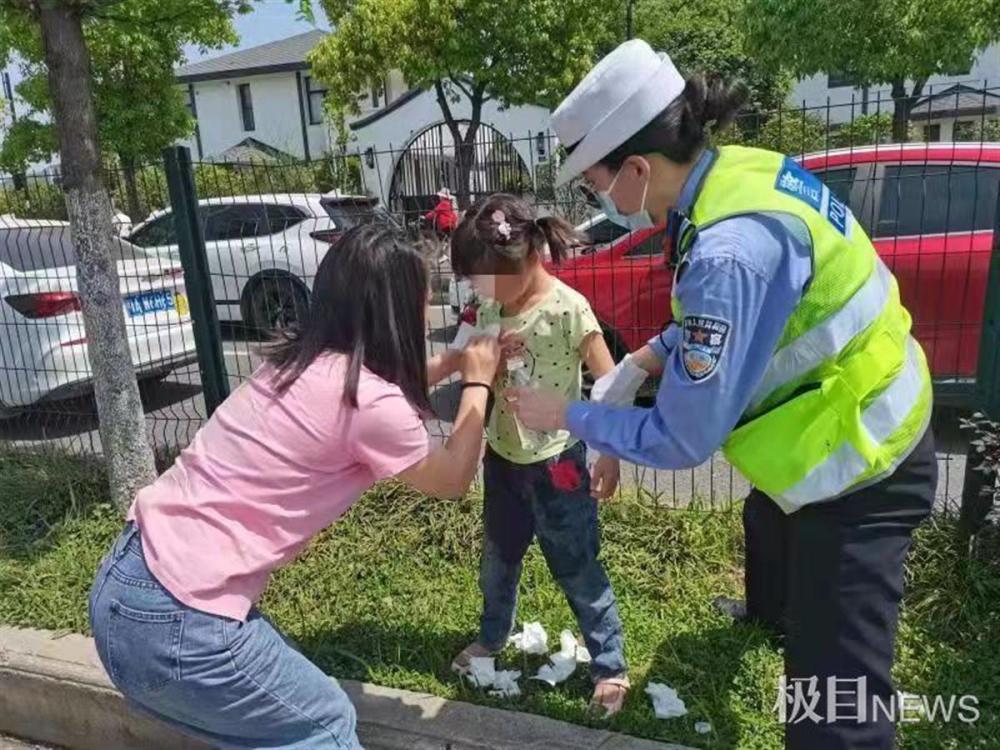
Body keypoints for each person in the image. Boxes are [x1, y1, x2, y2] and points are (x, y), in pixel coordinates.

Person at [511, 40, 936, 749]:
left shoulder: (727, 251)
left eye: (596, 184)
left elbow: (685, 438)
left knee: (834, 703)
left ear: (638, 169)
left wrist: (573, 414)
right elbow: (751, 322)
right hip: (850, 411)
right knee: (769, 526)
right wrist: (649, 357)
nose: (598, 201)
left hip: (862, 464)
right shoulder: (737, 176)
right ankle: (769, 613)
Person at [88, 225, 501, 750]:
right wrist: (479, 382)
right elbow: (452, 478)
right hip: (180, 624)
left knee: (276, 731)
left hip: (123, 588)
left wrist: (458, 362)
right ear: (398, 309)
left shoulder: (294, 363)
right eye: (424, 298)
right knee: (323, 724)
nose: (428, 310)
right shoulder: (369, 405)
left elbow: (378, 391)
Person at [448, 193, 630, 717]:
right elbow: (464, 358)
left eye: (484, 278)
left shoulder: (569, 309)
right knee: (497, 561)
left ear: (527, 259)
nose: (478, 291)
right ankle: (491, 638)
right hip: (502, 462)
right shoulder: (487, 307)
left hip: (561, 466)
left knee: (577, 566)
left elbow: (611, 384)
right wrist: (479, 358)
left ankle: (610, 663)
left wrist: (610, 453)